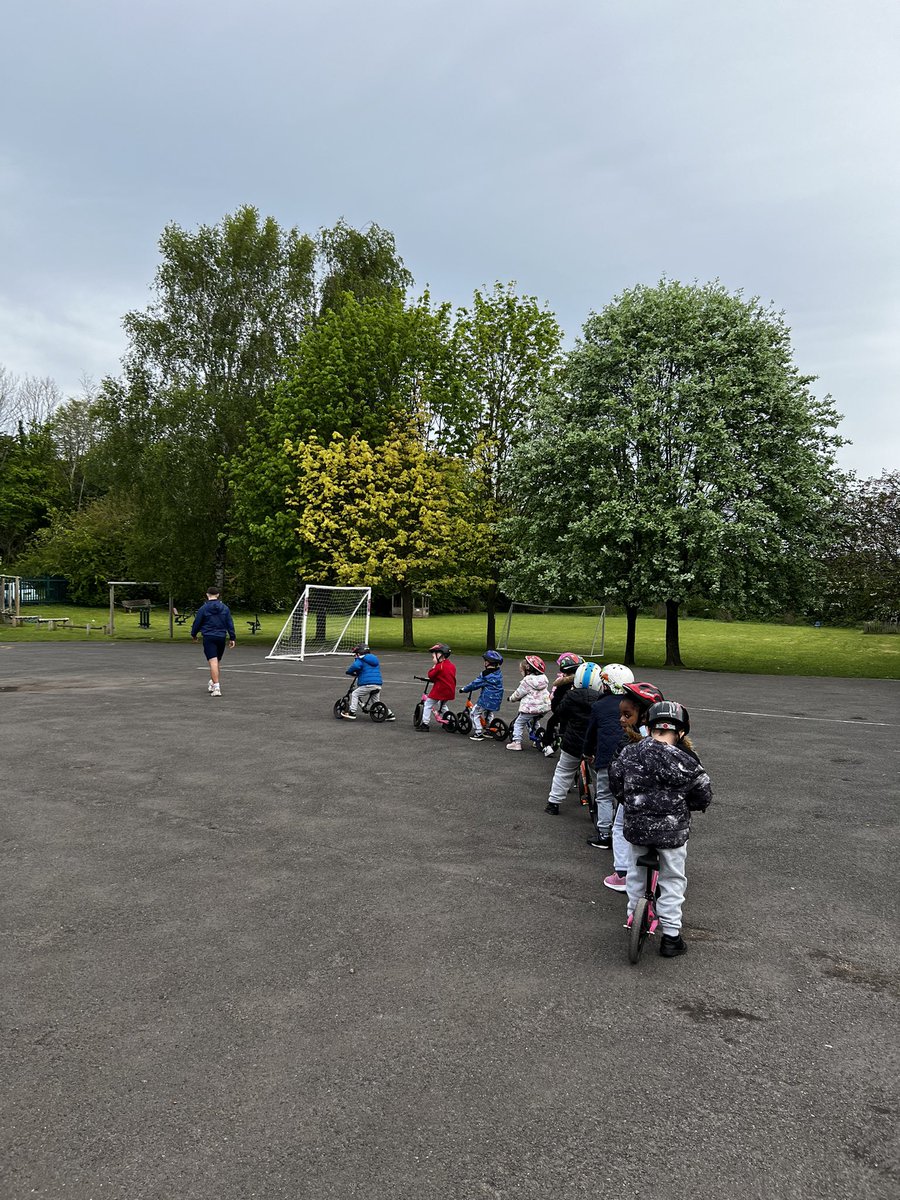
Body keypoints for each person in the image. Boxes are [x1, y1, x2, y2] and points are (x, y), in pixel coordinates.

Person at [608, 700, 712, 958]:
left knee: (635, 873)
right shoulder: (687, 761)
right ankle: (671, 936)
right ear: (681, 732)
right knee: (673, 879)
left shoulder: (630, 753)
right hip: (671, 832)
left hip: (638, 827)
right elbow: (703, 794)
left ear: (649, 726)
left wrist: (631, 800)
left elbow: (616, 783)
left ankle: (634, 916)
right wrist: (690, 806)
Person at [603, 681, 664, 891]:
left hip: (632, 798)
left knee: (620, 827)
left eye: (627, 715)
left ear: (644, 717)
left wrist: (621, 795)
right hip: (663, 802)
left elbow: (616, 775)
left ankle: (622, 873)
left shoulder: (629, 744)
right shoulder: (668, 741)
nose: (621, 719)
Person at [582, 663, 635, 849]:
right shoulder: (634, 706)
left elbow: (591, 733)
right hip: (629, 757)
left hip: (606, 758)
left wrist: (587, 752)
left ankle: (604, 834)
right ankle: (627, 832)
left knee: (604, 795)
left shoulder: (599, 705)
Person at [543, 659, 602, 813]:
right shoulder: (601, 699)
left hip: (572, 742)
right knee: (598, 774)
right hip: (594, 745)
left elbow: (560, 711)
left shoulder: (571, 695)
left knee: (563, 771)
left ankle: (553, 803)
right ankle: (601, 805)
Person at [190, 587, 236, 697]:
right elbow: (230, 623)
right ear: (218, 595)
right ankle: (212, 681)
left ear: (207, 595)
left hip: (209, 637)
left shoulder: (203, 609)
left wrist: (194, 634)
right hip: (221, 636)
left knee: (213, 661)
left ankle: (216, 687)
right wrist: (232, 637)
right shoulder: (225, 608)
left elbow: (197, 622)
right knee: (216, 661)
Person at [507, 655, 551, 750]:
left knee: (519, 723)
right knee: (534, 721)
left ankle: (516, 742)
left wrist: (511, 699)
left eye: (522, 671)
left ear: (528, 670)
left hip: (530, 708)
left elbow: (518, 694)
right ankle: (537, 739)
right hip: (543, 708)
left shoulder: (527, 681)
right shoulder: (543, 679)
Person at [542, 653, 583, 755]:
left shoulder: (562, 684)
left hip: (562, 711)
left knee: (551, 723)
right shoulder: (580, 683)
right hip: (576, 711)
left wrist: (554, 706)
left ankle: (547, 745)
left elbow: (556, 699)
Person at [459, 650, 504, 742]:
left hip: (485, 700)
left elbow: (474, 684)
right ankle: (489, 730)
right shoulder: (498, 674)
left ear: (488, 662)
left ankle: (478, 732)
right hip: (496, 699)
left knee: (474, 713)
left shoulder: (485, 675)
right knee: (488, 713)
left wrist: (464, 689)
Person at [342, 644, 395, 721]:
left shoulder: (360, 659)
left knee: (355, 694)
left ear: (359, 653)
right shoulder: (374, 659)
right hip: (377, 684)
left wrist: (349, 672)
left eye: (356, 654)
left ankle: (352, 712)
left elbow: (356, 666)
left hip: (368, 684)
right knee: (376, 702)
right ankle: (389, 714)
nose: (355, 655)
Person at [417, 643, 457, 731]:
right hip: (450, 690)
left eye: (434, 656)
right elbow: (445, 677)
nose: (433, 658)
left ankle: (425, 724)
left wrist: (433, 667)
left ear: (440, 655)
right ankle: (448, 718)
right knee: (442, 704)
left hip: (440, 690)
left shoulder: (439, 666)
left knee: (428, 704)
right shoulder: (452, 666)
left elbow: (431, 675)